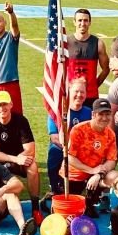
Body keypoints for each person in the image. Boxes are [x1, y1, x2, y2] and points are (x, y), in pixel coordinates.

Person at [0, 91, 41, 224]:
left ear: (11, 104)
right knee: (8, 192)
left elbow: (30, 150)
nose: (2, 108)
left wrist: (18, 159)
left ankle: (35, 208)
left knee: (32, 166)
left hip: (18, 160)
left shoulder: (21, 120)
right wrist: (14, 159)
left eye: (5, 104)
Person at [43, 79, 93, 213]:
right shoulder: (58, 112)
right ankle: (55, 189)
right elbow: (54, 137)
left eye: (82, 92)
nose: (79, 95)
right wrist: (71, 150)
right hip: (62, 148)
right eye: (76, 91)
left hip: (82, 152)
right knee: (54, 152)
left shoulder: (89, 113)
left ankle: (90, 197)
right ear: (69, 92)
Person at [66, 98, 118, 218]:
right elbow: (69, 158)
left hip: (95, 175)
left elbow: (112, 161)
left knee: (115, 176)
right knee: (70, 211)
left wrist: (98, 174)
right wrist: (91, 170)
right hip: (74, 175)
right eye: (101, 114)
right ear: (93, 114)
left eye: (108, 114)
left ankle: (115, 212)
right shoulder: (78, 130)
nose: (105, 118)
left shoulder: (110, 134)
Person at [66, 9, 109, 106]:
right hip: (71, 94)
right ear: (74, 22)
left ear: (90, 22)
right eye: (79, 20)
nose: (83, 23)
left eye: (85, 20)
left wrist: (95, 85)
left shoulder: (98, 43)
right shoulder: (65, 42)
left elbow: (106, 69)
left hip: (91, 95)